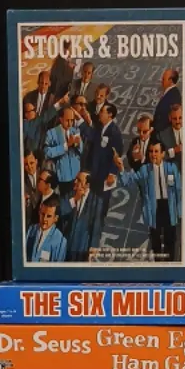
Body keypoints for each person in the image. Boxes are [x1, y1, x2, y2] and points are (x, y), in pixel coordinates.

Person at [113, 139, 181, 260]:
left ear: (163, 154)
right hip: (154, 209)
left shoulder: (172, 168)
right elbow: (129, 181)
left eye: (156, 151)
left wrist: (179, 211)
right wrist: (121, 168)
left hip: (169, 207)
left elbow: (179, 190)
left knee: (170, 239)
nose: (153, 154)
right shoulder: (145, 170)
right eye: (151, 151)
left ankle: (170, 264)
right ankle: (158, 264)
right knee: (155, 240)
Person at [81, 101, 124, 243]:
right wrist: (84, 120)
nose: (99, 114)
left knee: (101, 206)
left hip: (105, 177)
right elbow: (91, 135)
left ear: (110, 114)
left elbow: (118, 154)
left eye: (102, 112)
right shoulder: (100, 127)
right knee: (92, 203)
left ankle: (96, 237)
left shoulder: (115, 133)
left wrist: (112, 173)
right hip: (95, 173)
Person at [42, 105, 83, 196]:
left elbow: (81, 151)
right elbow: (47, 152)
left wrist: (79, 144)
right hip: (62, 177)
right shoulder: (51, 133)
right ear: (60, 119)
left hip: (76, 176)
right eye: (67, 120)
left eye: (72, 120)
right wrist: (66, 145)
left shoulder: (75, 131)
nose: (70, 123)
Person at [60, 171, 95, 261]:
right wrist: (75, 199)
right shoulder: (70, 195)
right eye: (76, 179)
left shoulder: (95, 201)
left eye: (79, 180)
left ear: (87, 185)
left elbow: (96, 227)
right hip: (67, 244)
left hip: (82, 247)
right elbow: (60, 211)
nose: (75, 181)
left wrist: (93, 247)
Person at [26, 198, 67, 263]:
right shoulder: (31, 230)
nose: (44, 219)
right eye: (42, 214)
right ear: (39, 213)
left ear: (55, 218)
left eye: (49, 216)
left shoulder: (60, 241)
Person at [153, 68, 182, 135]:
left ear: (171, 81)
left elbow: (171, 118)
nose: (161, 81)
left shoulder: (174, 95)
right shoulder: (171, 93)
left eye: (164, 79)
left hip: (163, 134)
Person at [159, 102, 184, 170]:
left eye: (180, 118)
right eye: (175, 119)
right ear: (170, 118)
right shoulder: (162, 135)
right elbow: (158, 157)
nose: (178, 121)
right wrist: (173, 151)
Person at [23, 150, 40, 224]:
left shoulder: (44, 174)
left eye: (31, 163)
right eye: (26, 164)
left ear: (36, 161)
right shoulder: (22, 181)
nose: (30, 167)